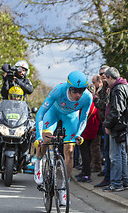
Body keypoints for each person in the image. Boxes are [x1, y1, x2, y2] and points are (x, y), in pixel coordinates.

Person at [33, 70, 92, 206]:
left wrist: (78, 134)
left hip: (70, 117)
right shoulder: (59, 90)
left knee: (70, 152)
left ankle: (64, 188)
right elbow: (41, 113)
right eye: (74, 91)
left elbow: (83, 118)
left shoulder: (87, 97)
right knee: (46, 140)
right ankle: (38, 162)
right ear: (68, 87)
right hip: (53, 113)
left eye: (81, 90)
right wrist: (38, 135)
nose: (78, 94)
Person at [102, 67, 128, 192]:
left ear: (110, 77)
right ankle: (124, 182)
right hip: (124, 125)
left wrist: (107, 125)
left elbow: (116, 110)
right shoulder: (125, 86)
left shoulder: (118, 88)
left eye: (106, 78)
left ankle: (116, 183)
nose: (105, 82)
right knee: (122, 155)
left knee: (115, 156)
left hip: (117, 126)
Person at [75, 84, 100, 183]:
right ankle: (84, 171)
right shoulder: (95, 103)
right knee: (87, 153)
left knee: (85, 153)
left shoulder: (85, 104)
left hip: (84, 132)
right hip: (92, 131)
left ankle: (87, 174)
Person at [94, 65, 112, 188]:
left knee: (110, 152)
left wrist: (95, 99)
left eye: (104, 73)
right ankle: (107, 174)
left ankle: (111, 177)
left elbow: (104, 105)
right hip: (104, 122)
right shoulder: (104, 88)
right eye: (101, 74)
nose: (103, 75)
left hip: (109, 124)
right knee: (106, 151)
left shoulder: (110, 88)